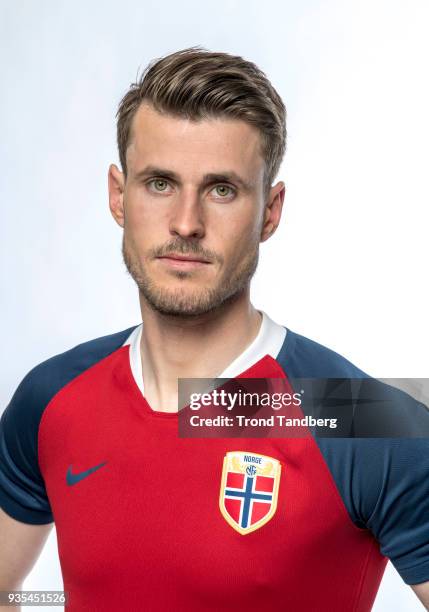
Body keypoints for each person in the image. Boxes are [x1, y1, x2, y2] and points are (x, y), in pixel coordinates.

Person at [1, 46, 428, 612]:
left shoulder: (361, 419)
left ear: (269, 212)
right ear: (117, 195)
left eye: (222, 190)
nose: (186, 223)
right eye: (159, 184)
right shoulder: (51, 399)